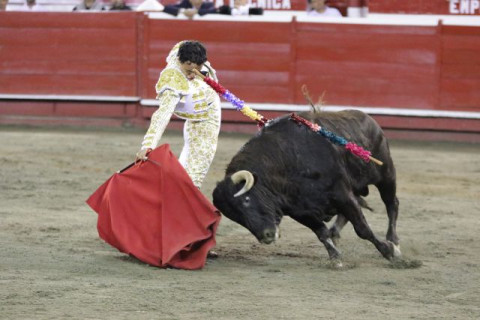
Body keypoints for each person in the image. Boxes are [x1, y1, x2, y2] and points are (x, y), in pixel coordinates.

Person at [136, 40, 221, 189]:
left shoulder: (191, 55)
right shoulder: (172, 80)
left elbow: (208, 73)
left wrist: (201, 72)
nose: (194, 73)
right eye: (189, 70)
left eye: (198, 68)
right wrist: (148, 145)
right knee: (192, 177)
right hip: (199, 118)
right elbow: (162, 115)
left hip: (208, 115)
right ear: (184, 62)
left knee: (193, 173)